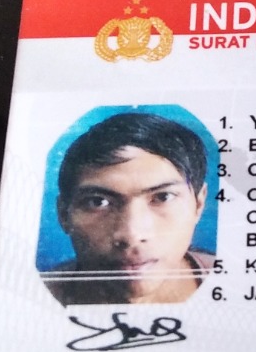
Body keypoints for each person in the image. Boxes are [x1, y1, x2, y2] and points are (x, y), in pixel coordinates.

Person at [42, 111, 214, 306]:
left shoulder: (237, 281)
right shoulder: (27, 299)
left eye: (163, 197)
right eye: (97, 202)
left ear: (198, 204)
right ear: (64, 214)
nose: (131, 235)